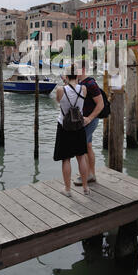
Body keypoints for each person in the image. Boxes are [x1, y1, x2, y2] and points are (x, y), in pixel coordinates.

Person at [54, 66, 90, 197]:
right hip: (79, 126)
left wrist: (65, 84)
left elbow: (58, 101)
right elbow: (78, 92)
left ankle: (68, 189)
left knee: (66, 159)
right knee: (81, 157)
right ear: (77, 76)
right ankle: (85, 187)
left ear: (66, 76)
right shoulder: (84, 89)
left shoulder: (60, 90)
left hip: (64, 126)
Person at [74, 59, 104, 186]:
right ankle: (91, 174)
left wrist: (90, 118)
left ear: (83, 69)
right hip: (85, 120)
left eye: (76, 69)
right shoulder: (80, 83)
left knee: (81, 148)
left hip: (90, 120)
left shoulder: (91, 84)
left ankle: (84, 176)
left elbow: (100, 104)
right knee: (88, 146)